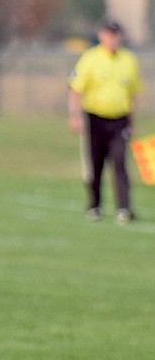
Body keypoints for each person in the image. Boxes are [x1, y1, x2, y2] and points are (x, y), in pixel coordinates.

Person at [68, 18, 142, 225]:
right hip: (95, 118)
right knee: (95, 164)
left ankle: (124, 207)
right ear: (102, 36)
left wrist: (132, 122)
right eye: (109, 34)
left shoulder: (129, 60)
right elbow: (76, 89)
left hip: (120, 119)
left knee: (120, 162)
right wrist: (74, 116)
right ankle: (95, 205)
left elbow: (133, 94)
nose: (113, 38)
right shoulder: (90, 58)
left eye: (116, 34)